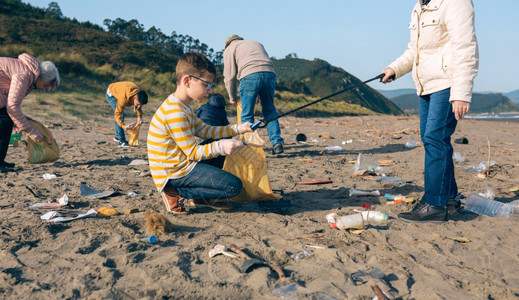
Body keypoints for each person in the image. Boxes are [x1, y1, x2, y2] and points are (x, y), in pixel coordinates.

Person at [381, 0, 478, 223]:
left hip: (447, 83)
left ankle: (434, 203)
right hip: (426, 85)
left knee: (435, 138)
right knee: (432, 139)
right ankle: (449, 198)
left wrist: (461, 93)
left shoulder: (456, 2)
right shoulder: (419, 7)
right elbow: (414, 51)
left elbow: (466, 47)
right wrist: (394, 68)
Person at [147, 53, 252, 215]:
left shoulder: (182, 105)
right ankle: (174, 190)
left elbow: (206, 130)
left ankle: (200, 198)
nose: (209, 91)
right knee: (233, 187)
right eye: (206, 85)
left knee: (220, 140)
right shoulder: (175, 112)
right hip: (173, 173)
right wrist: (222, 146)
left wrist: (239, 128)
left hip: (181, 163)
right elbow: (194, 153)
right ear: (187, 81)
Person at [223, 35, 285, 154]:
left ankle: (251, 147)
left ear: (227, 44)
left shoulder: (230, 48)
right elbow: (260, 67)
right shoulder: (255, 43)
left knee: (247, 115)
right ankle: (277, 142)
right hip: (270, 74)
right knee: (270, 111)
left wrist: (232, 97)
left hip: (249, 76)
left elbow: (229, 76)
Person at [0, 53, 60, 173]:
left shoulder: (29, 73)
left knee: (7, 120)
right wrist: (30, 131)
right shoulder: (24, 75)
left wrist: (23, 120)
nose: (43, 89)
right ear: (41, 78)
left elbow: (12, 105)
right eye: (45, 85)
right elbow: (12, 106)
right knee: (5, 122)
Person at [105, 81, 148, 147]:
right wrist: (123, 126)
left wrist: (139, 117)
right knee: (121, 115)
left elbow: (138, 107)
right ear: (134, 98)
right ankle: (121, 141)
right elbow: (117, 115)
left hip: (122, 89)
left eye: (141, 105)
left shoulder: (137, 95)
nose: (139, 106)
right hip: (111, 94)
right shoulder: (123, 98)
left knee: (122, 115)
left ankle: (117, 136)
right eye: (138, 104)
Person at [195, 93, 230, 169]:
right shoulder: (222, 111)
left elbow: (194, 117)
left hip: (201, 134)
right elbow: (226, 126)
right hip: (215, 135)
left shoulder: (203, 107)